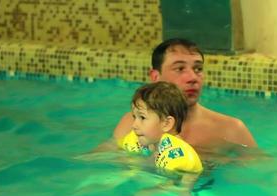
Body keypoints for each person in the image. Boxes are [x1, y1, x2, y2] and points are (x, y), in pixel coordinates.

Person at [96, 38, 257, 154]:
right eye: (180, 69)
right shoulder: (132, 122)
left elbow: (259, 174)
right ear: (155, 77)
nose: (193, 77)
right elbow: (105, 158)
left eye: (198, 69)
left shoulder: (230, 129)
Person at [118, 81, 202, 173]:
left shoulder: (179, 157)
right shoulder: (139, 142)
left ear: (166, 124)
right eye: (134, 117)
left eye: (142, 117)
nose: (134, 125)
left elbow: (178, 187)